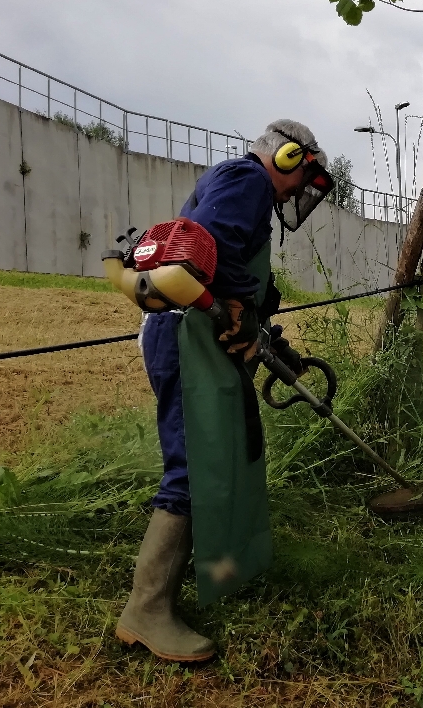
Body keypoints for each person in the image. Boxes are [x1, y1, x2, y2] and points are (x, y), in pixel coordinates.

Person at [115, 120, 331, 662]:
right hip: (186, 334)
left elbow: (231, 268)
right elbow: (205, 243)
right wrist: (239, 299)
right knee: (194, 463)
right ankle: (146, 611)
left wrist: (260, 317)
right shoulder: (247, 179)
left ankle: (200, 574)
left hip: (195, 331)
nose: (302, 189)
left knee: (208, 458)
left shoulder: (243, 188)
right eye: (304, 174)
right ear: (284, 156)